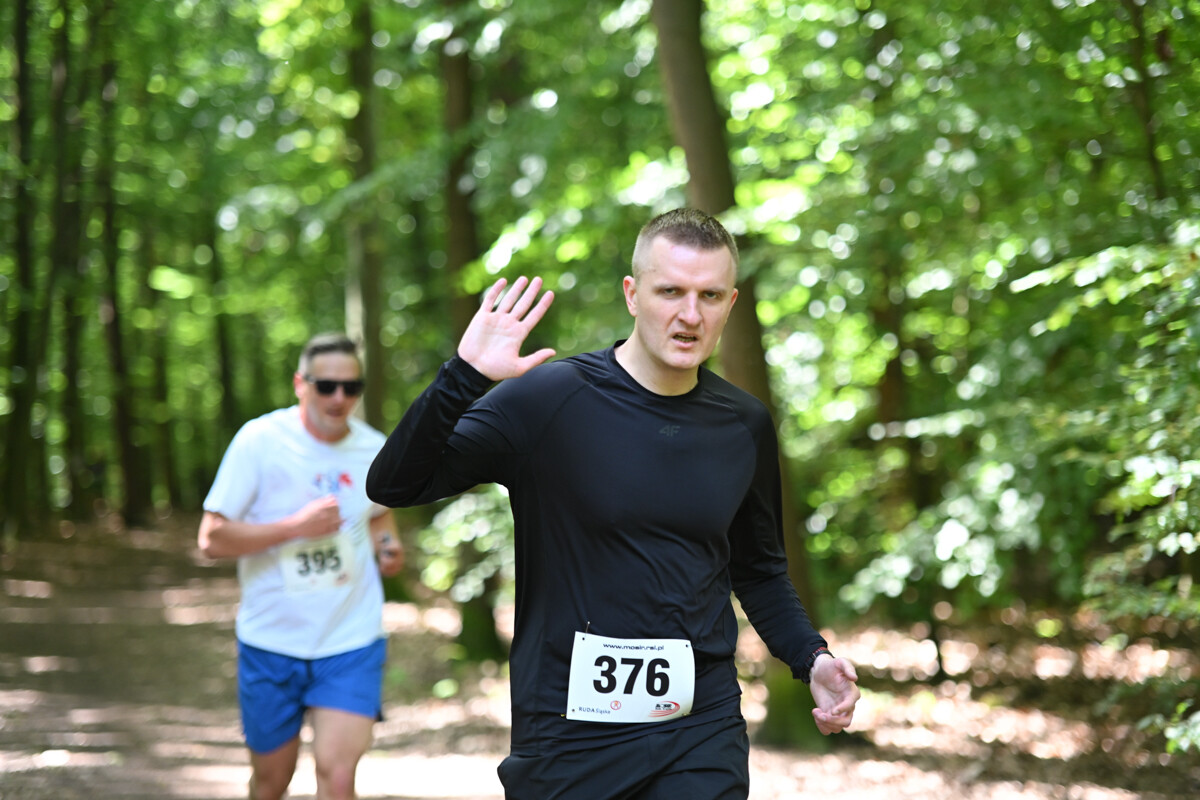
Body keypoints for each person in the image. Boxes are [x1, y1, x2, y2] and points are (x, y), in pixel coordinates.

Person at [366, 208, 859, 799]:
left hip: (700, 726)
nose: (689, 315)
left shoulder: (743, 424)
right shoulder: (548, 401)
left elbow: (758, 569)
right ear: (632, 294)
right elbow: (394, 485)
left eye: (709, 295)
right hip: (569, 734)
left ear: (731, 303)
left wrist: (812, 658)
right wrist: (465, 376)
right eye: (670, 291)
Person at [198, 333, 403, 800]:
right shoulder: (260, 441)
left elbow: (379, 512)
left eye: (351, 388)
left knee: (338, 776)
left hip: (350, 640)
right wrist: (295, 527)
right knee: (272, 781)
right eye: (327, 385)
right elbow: (211, 538)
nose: (339, 398)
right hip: (271, 640)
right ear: (300, 384)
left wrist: (387, 545)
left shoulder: (374, 447)